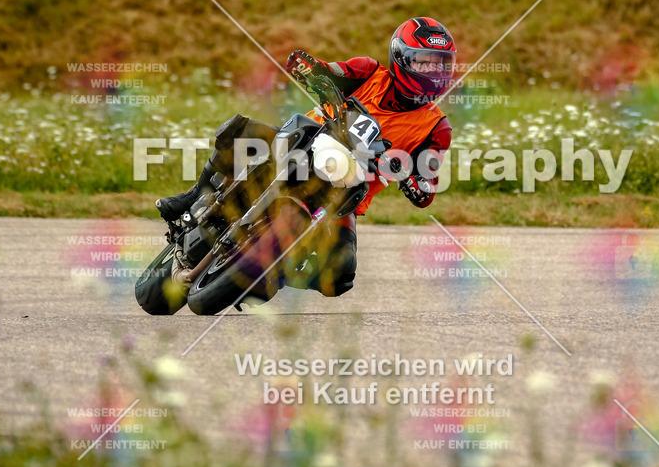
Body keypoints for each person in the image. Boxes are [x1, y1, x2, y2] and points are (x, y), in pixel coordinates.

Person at [156, 17, 456, 296]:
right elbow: (328, 72)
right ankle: (192, 196)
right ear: (401, 59)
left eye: (440, 65)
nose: (433, 72)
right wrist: (308, 67)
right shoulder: (367, 72)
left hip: (344, 195)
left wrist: (417, 184)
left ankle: (277, 271)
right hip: (304, 142)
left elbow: (428, 184)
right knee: (241, 133)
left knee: (341, 274)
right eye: (424, 62)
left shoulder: (437, 127)